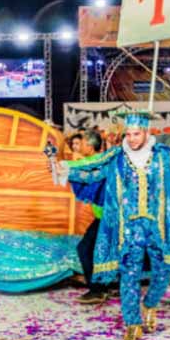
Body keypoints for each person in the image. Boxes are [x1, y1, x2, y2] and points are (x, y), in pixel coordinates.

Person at [55, 111, 170, 340]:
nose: (132, 139)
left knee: (162, 272)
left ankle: (150, 304)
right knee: (129, 274)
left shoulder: (162, 157)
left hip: (157, 228)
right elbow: (93, 175)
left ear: (146, 132)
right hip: (129, 229)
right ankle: (132, 322)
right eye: (129, 134)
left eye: (136, 134)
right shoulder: (117, 159)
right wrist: (66, 171)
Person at [73, 130, 110, 304]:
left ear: (89, 146)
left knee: (85, 249)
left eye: (80, 143)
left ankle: (97, 290)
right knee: (99, 251)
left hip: (108, 218)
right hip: (105, 217)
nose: (78, 147)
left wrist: (60, 163)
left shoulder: (94, 161)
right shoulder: (98, 160)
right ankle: (103, 287)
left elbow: (70, 167)